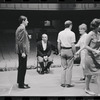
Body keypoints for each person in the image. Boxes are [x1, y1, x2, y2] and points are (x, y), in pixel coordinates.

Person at [75, 18, 100, 95]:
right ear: (96, 26)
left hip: (97, 57)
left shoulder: (98, 34)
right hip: (89, 57)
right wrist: (94, 50)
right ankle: (87, 88)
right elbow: (85, 46)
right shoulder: (90, 34)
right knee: (90, 74)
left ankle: (88, 88)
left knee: (95, 74)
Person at [57, 20, 76, 88]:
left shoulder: (60, 33)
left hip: (62, 50)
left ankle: (62, 83)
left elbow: (58, 43)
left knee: (63, 67)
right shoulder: (72, 33)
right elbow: (73, 44)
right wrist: (75, 53)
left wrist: (59, 52)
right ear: (70, 25)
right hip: (69, 50)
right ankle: (68, 83)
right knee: (69, 68)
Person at [15, 15, 31, 89]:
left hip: (21, 50)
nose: (28, 22)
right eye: (27, 20)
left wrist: (28, 37)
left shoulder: (21, 28)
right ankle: (21, 84)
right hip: (22, 51)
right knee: (23, 67)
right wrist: (23, 52)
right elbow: (20, 42)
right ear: (23, 21)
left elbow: (22, 39)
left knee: (21, 67)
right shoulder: (22, 28)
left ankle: (20, 82)